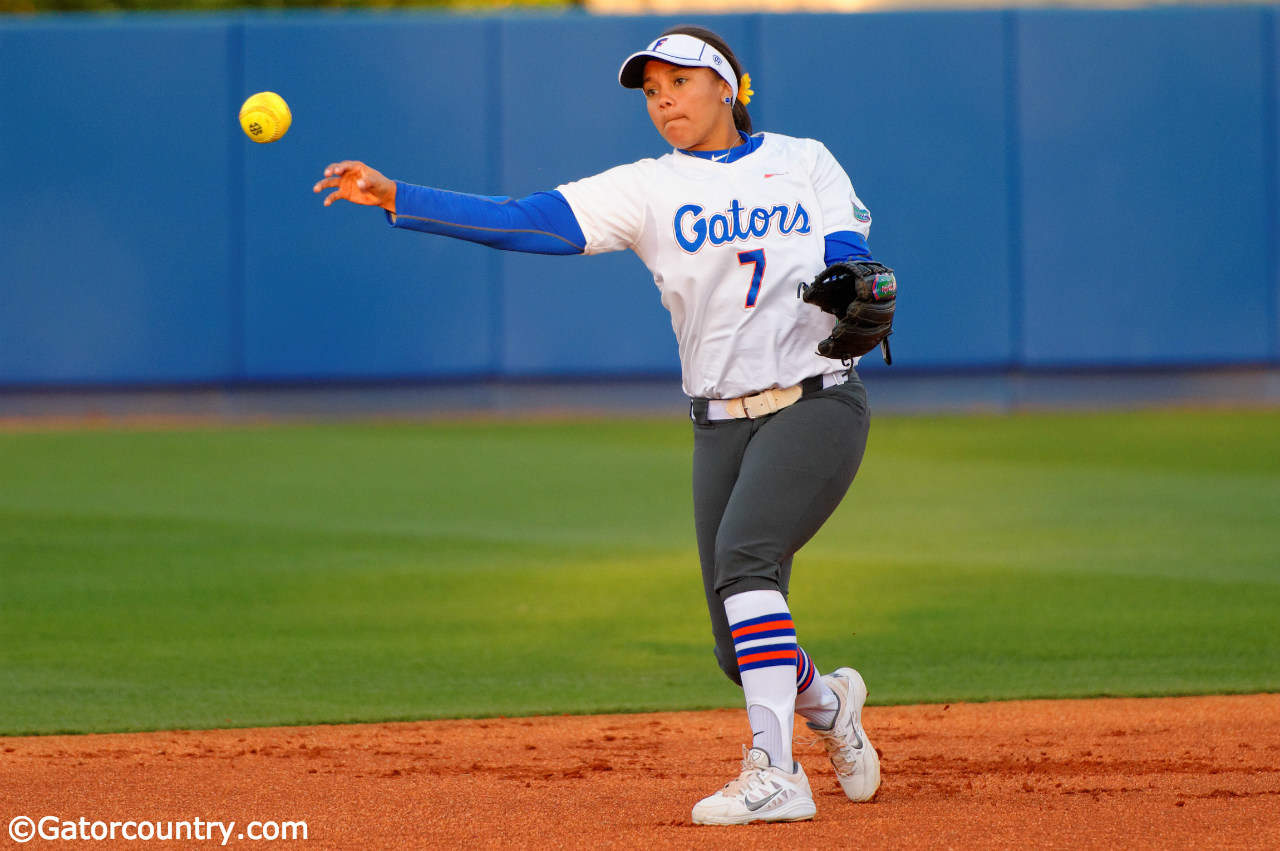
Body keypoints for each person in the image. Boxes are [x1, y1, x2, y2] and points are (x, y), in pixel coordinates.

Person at [314, 24, 888, 826]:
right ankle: (829, 707)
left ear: (729, 86)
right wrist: (399, 197)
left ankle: (775, 770)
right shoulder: (648, 187)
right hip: (720, 422)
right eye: (652, 92)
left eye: (678, 84)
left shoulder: (803, 159)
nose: (663, 102)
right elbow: (532, 220)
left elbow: (850, 251)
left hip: (818, 399)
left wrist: (854, 276)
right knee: (737, 640)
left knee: (744, 560)